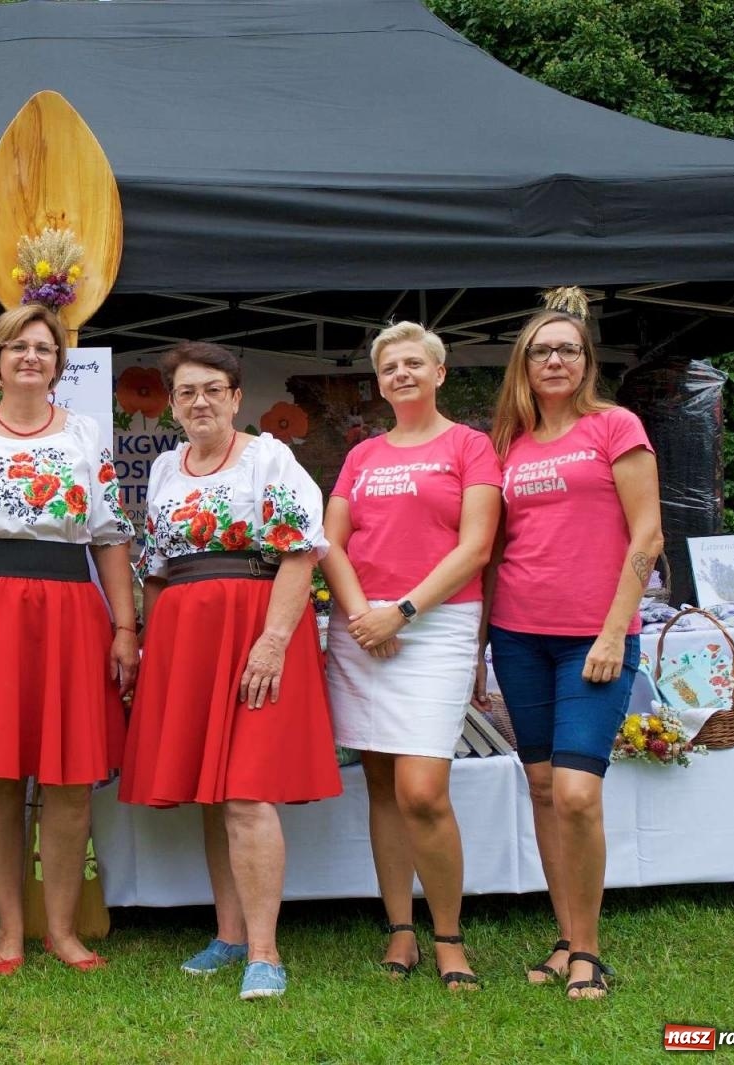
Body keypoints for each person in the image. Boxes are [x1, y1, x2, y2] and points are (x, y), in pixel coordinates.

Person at [121, 341, 340, 1002]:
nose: (200, 401)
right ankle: (230, 933)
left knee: (247, 789)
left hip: (257, 626)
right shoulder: (164, 468)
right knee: (214, 790)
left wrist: (274, 640)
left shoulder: (271, 458)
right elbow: (155, 569)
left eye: (213, 388)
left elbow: (300, 553)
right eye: (186, 391)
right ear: (173, 404)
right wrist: (152, 648)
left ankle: (266, 953)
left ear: (236, 397)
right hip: (186, 635)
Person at [0, 304, 137, 975]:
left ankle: (64, 930)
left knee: (71, 776)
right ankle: (10, 929)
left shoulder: (84, 434)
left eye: (43, 348)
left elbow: (108, 535)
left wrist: (125, 627)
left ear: (57, 366)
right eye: (16, 347)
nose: (30, 357)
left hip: (70, 609)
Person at [474, 290, 663, 1000]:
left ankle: (589, 948)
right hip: (519, 634)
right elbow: (492, 553)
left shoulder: (615, 427)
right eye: (542, 349)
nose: (555, 359)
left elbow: (647, 533)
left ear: (586, 363)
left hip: (595, 637)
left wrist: (615, 629)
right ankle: (564, 936)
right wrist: (477, 649)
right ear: (524, 363)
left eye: (569, 349)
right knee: (544, 785)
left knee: (579, 791)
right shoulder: (508, 444)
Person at [319, 322, 500, 990]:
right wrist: (366, 610)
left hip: (436, 624)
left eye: (414, 363)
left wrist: (402, 611)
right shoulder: (361, 455)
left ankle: (448, 936)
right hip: (361, 623)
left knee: (422, 789)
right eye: (390, 365)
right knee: (381, 785)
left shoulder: (469, 446)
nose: (401, 373)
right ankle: (401, 929)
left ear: (440, 373)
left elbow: (475, 547)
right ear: (380, 380)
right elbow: (329, 541)